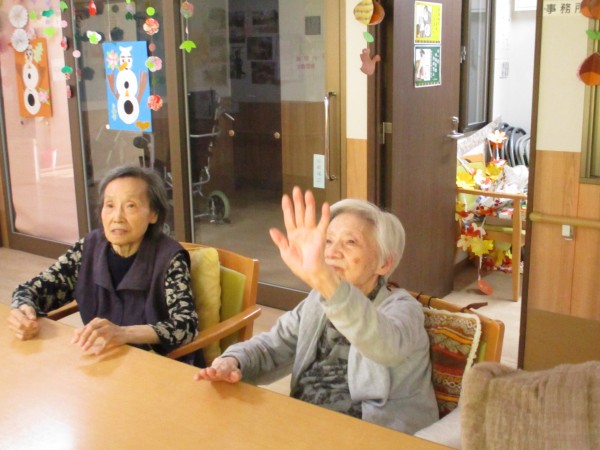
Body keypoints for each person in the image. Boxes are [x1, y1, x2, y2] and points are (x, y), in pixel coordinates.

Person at [195, 186, 438, 434]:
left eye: (351, 242)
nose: (331, 252)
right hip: (305, 422)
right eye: (328, 240)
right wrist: (233, 360)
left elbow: (383, 345)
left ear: (384, 264)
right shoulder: (317, 300)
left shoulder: (403, 308)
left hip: (371, 434)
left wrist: (325, 281)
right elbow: (273, 346)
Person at [6, 164, 199, 359]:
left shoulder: (170, 257)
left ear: (153, 214)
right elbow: (32, 290)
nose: (117, 217)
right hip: (104, 360)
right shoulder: (88, 248)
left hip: (160, 364)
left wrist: (123, 333)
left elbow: (186, 326)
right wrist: (23, 311)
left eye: (130, 206)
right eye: (110, 205)